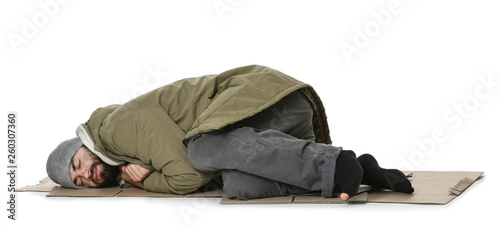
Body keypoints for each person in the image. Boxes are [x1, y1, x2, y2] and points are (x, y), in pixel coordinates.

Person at [46, 65, 414, 201]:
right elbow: (204, 178)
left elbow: (191, 172)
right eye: (77, 181)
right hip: (270, 130)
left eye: (77, 163)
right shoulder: (125, 157)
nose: (84, 175)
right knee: (237, 186)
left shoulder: (114, 129)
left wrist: (148, 183)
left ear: (85, 146)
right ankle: (362, 171)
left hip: (270, 100)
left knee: (202, 152)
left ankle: (333, 163)